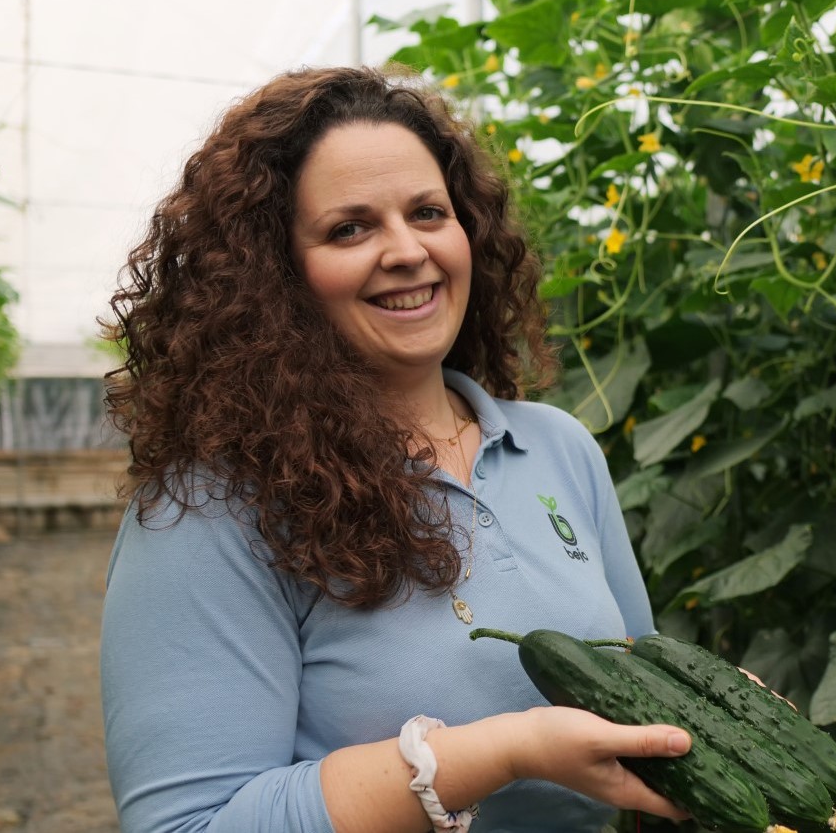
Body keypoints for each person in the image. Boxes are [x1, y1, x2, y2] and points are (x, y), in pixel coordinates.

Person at [99, 65, 692, 833]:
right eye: (351, 228)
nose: (408, 250)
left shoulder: (559, 448)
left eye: (428, 212)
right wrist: (504, 752)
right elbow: (189, 824)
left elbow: (640, 694)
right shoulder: (211, 507)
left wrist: (710, 720)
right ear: (274, 275)